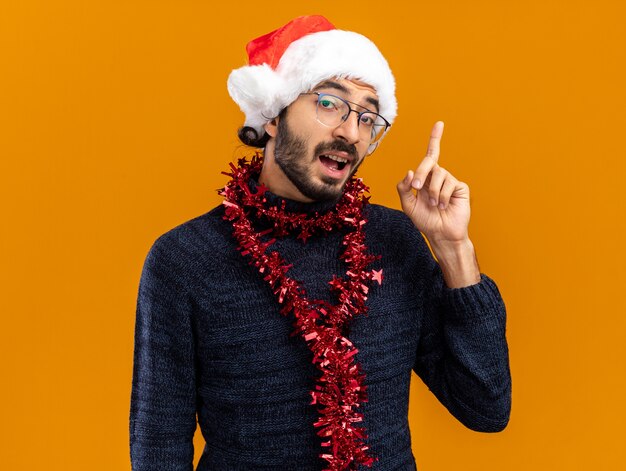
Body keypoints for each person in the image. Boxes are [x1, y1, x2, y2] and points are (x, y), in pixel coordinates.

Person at [129, 15, 511, 471]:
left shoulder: (395, 242)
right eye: (330, 103)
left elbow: (485, 408)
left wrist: (454, 250)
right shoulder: (185, 259)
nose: (351, 132)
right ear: (273, 115)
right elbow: (159, 447)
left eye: (368, 117)